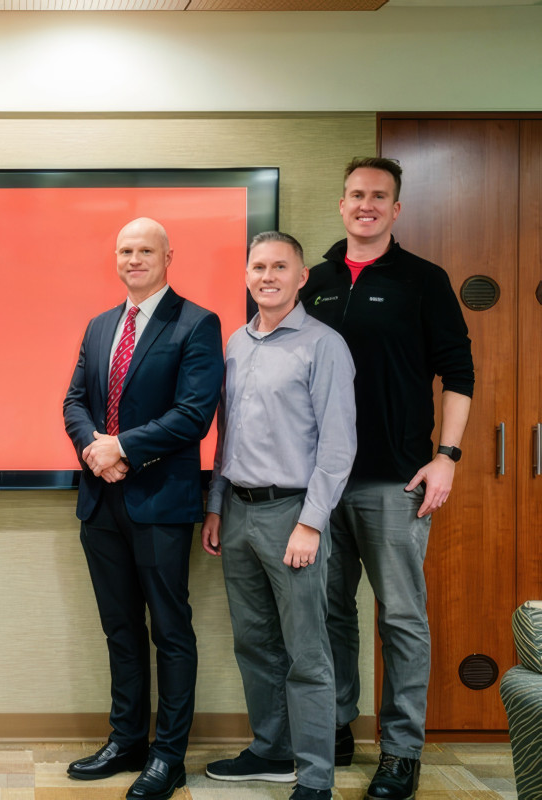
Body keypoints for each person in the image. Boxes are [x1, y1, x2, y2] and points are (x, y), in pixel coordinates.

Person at [301, 157, 475, 800]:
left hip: (395, 482)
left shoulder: (424, 281)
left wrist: (446, 457)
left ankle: (401, 751)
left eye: (379, 196)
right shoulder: (310, 280)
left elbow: (459, 373)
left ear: (396, 209)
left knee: (401, 617)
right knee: (328, 612)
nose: (365, 204)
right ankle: (338, 726)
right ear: (341, 204)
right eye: (355, 194)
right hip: (319, 483)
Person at [62, 217, 224, 800]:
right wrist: (93, 451)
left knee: (171, 631)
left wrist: (122, 446)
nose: (134, 259)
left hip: (161, 502)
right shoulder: (101, 324)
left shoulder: (198, 323)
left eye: (145, 250)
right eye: (125, 250)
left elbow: (194, 413)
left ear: (168, 256)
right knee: (120, 628)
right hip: (100, 501)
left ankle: (168, 756)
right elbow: (75, 400)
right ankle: (125, 739)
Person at [201, 231, 356, 800]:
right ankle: (272, 750)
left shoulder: (324, 346)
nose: (267, 276)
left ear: (300, 278)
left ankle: (315, 778)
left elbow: (338, 447)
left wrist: (312, 523)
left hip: (294, 515)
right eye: (258, 266)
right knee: (254, 643)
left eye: (279, 267)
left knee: (306, 653)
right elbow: (227, 436)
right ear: (246, 275)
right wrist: (215, 506)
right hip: (237, 513)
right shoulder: (236, 345)